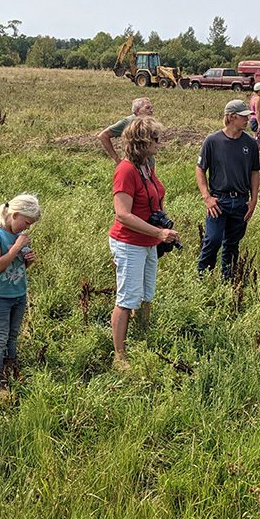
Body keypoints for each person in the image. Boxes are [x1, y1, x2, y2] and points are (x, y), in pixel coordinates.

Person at [109, 116, 179, 366]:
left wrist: (161, 226)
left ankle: (142, 336)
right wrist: (159, 233)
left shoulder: (147, 166)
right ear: (141, 142)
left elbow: (152, 199)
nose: (159, 143)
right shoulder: (126, 170)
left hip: (148, 240)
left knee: (146, 294)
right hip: (130, 242)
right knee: (127, 298)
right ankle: (120, 355)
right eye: (155, 139)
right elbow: (123, 214)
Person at [0, 194, 41, 399]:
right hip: (1, 295)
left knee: (13, 335)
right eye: (26, 223)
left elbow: (18, 266)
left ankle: (10, 369)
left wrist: (28, 260)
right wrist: (17, 247)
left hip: (19, 293)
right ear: (15, 215)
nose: (26, 228)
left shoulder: (19, 236)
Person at [197, 100, 260, 278]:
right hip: (218, 201)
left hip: (241, 201)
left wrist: (253, 200)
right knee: (213, 239)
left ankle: (229, 277)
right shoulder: (212, 141)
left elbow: (255, 172)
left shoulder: (250, 144)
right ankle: (203, 276)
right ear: (231, 117)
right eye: (243, 116)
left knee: (232, 243)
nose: (247, 120)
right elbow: (200, 169)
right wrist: (206, 197)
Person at [98, 97, 154, 165]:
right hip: (133, 166)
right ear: (137, 111)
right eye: (147, 108)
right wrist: (117, 159)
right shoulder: (128, 122)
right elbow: (103, 136)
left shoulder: (149, 123)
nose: (151, 110)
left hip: (148, 167)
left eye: (151, 108)